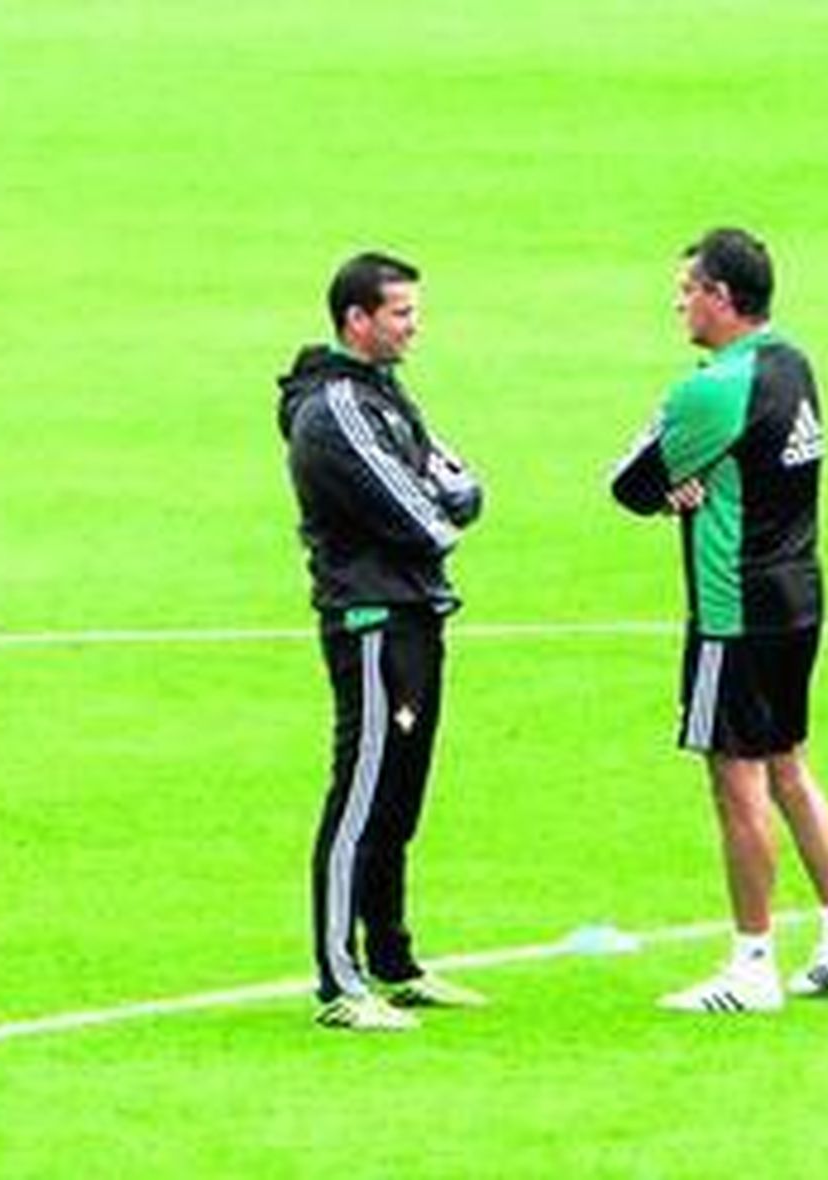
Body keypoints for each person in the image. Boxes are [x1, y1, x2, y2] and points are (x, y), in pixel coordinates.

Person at [611, 227, 828, 1013]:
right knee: (790, 766)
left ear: (723, 297)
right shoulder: (793, 363)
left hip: (731, 608)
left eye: (689, 288)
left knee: (737, 781)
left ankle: (751, 963)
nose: (679, 302)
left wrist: (673, 488)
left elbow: (629, 482)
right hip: (799, 594)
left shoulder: (710, 390)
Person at [277, 251, 488, 1032]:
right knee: (361, 794)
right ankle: (339, 981)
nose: (414, 326)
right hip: (371, 619)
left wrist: (441, 497)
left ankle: (394, 962)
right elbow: (429, 517)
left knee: (399, 798)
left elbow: (464, 485)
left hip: (414, 612)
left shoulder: (386, 396)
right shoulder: (335, 410)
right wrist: (438, 503)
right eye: (400, 313)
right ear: (356, 319)